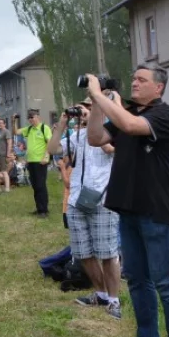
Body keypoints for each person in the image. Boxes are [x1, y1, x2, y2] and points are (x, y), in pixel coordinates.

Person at [86, 65, 169, 337]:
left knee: (166, 280)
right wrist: (97, 103)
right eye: (132, 78)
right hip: (129, 207)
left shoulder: (164, 115)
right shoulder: (128, 113)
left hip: (157, 209)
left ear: (158, 88)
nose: (134, 83)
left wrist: (99, 93)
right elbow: (96, 137)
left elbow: (133, 126)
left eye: (141, 80)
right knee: (136, 276)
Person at [47, 103, 121, 318]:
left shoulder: (111, 132)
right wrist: (61, 124)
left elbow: (110, 149)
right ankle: (100, 293)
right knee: (83, 253)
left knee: (108, 253)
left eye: (88, 108)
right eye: (81, 109)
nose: (83, 112)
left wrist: (94, 122)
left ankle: (114, 300)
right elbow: (52, 150)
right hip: (76, 199)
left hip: (102, 198)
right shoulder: (77, 136)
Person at [16, 110, 54, 218]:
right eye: (29, 118)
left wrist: (46, 156)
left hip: (40, 161)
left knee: (41, 185)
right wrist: (15, 120)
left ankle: (44, 210)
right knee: (35, 185)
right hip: (31, 161)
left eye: (33, 117)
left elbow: (49, 142)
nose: (31, 119)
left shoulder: (44, 128)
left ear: (38, 117)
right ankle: (39, 208)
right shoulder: (29, 129)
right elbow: (16, 132)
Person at [0, 119, 12, 193]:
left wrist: (8, 154)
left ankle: (7, 188)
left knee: (4, 171)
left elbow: (9, 143)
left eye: (1, 123)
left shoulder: (6, 132)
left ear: (4, 124)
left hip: (3, 154)